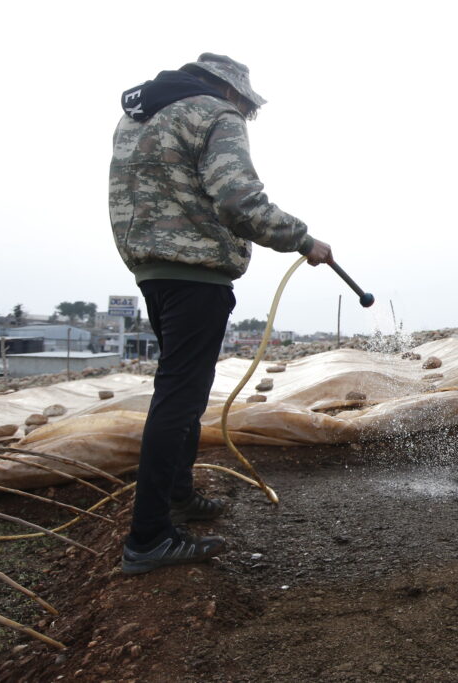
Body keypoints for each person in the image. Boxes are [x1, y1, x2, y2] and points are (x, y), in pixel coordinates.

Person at [109, 53, 336, 574]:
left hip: (154, 270)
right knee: (179, 395)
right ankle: (148, 539)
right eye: (244, 102)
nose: (244, 111)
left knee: (182, 390)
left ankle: (179, 497)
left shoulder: (139, 116)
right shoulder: (215, 113)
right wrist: (304, 240)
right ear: (229, 90)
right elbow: (237, 200)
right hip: (196, 273)